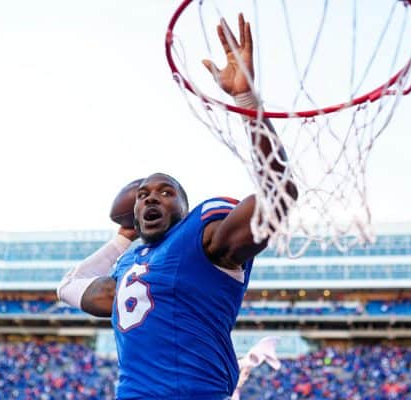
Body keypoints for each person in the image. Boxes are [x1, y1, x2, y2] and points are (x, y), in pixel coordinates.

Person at [57, 14, 296, 399]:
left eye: (166, 192)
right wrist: (122, 238)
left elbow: (277, 197)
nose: (151, 196)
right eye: (143, 194)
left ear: (185, 209)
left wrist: (247, 101)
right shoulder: (125, 270)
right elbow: (67, 286)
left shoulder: (202, 235)